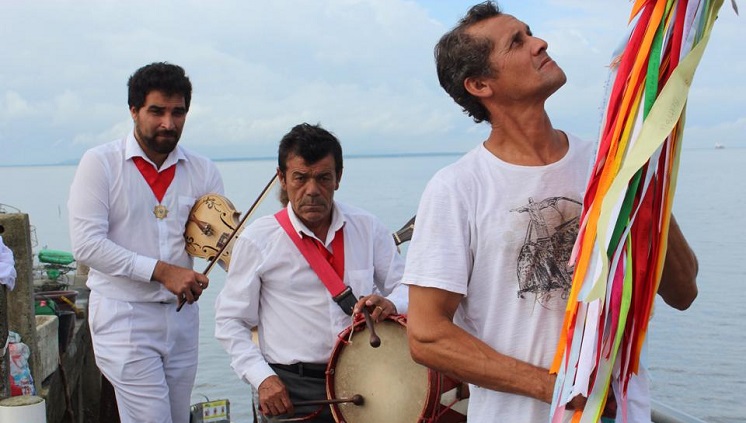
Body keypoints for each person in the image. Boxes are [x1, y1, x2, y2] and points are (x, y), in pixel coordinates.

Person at [403, 2, 699, 423]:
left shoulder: (607, 165)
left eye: (530, 32)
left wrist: (639, 179)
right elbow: (427, 336)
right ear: (480, 84)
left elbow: (683, 291)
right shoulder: (458, 188)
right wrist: (554, 388)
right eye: (517, 42)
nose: (540, 43)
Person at [214, 123, 407, 422]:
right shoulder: (258, 239)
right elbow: (231, 321)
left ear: (338, 178)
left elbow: (408, 287)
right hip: (292, 389)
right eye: (300, 178)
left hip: (370, 378)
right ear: (282, 178)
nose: (312, 190)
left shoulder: (368, 228)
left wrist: (392, 303)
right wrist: (262, 378)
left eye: (323, 178)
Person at [68, 62, 224, 423]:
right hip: (123, 315)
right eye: (157, 111)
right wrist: (162, 271)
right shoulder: (100, 163)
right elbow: (87, 245)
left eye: (178, 112)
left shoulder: (203, 170)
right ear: (134, 110)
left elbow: (219, 241)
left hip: (182, 318)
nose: (168, 123)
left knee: (177, 417)